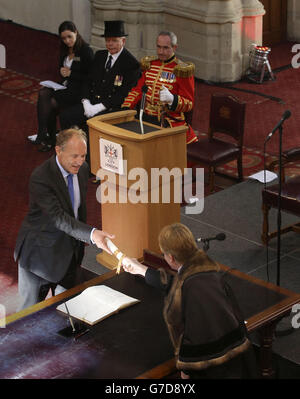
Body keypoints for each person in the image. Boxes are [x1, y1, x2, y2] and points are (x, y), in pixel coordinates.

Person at [122, 223, 257, 379]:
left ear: (170, 258)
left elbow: (195, 339)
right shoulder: (207, 272)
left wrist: (185, 371)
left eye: (164, 254)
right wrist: (139, 268)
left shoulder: (190, 292)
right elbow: (174, 283)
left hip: (218, 371)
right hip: (241, 360)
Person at [15, 127, 114, 310]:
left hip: (69, 254)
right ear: (58, 150)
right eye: (74, 156)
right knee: (28, 315)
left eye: (83, 156)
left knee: (68, 311)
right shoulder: (41, 177)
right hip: (39, 257)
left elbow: (78, 210)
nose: (80, 161)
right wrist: (92, 234)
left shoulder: (82, 170)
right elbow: (58, 218)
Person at [59, 20, 141, 132]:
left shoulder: (131, 64)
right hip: (91, 102)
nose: (110, 44)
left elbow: (122, 94)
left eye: (114, 41)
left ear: (123, 41)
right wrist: (86, 102)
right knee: (65, 116)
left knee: (91, 126)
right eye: (107, 40)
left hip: (110, 108)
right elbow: (88, 81)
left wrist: (99, 107)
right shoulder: (99, 56)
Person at [121, 31, 198, 145]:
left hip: (167, 120)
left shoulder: (181, 70)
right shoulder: (150, 65)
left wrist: (172, 99)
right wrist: (125, 109)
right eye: (158, 47)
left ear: (174, 47)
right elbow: (137, 91)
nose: (161, 52)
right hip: (145, 118)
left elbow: (189, 104)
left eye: (165, 48)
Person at [28, 21, 94, 151]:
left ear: (76, 32)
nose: (67, 41)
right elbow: (62, 70)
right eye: (64, 38)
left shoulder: (86, 51)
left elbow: (90, 78)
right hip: (66, 86)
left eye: (69, 36)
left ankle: (46, 135)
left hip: (79, 91)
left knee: (49, 101)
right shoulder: (64, 49)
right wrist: (62, 72)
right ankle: (45, 134)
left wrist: (71, 73)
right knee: (44, 93)